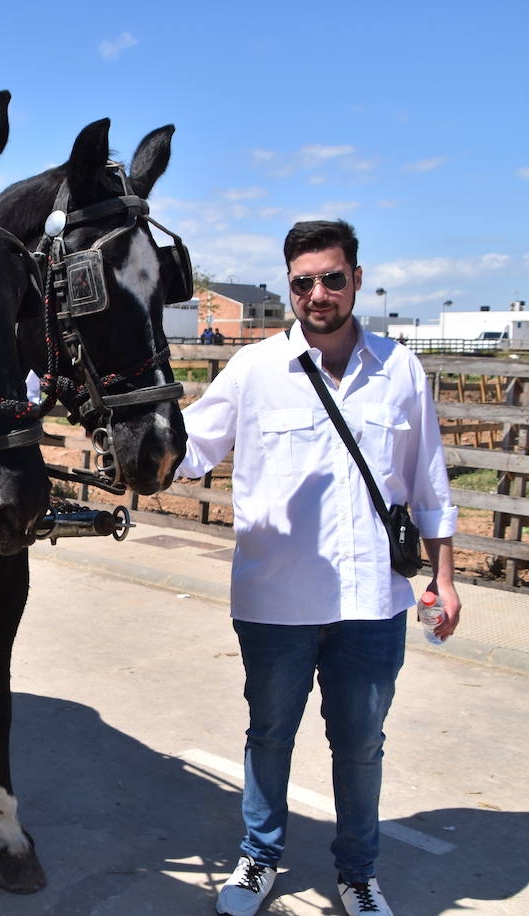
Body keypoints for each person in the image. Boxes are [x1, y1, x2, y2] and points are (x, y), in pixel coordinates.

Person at [177, 220, 460, 916]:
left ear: (356, 279)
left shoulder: (400, 371)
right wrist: (123, 435)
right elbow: (187, 447)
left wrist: (444, 580)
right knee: (269, 734)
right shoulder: (253, 370)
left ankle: (358, 873)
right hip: (275, 601)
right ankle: (258, 857)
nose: (318, 294)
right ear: (290, 289)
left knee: (361, 745)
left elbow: (428, 482)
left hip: (373, 602)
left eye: (332, 278)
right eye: (303, 282)